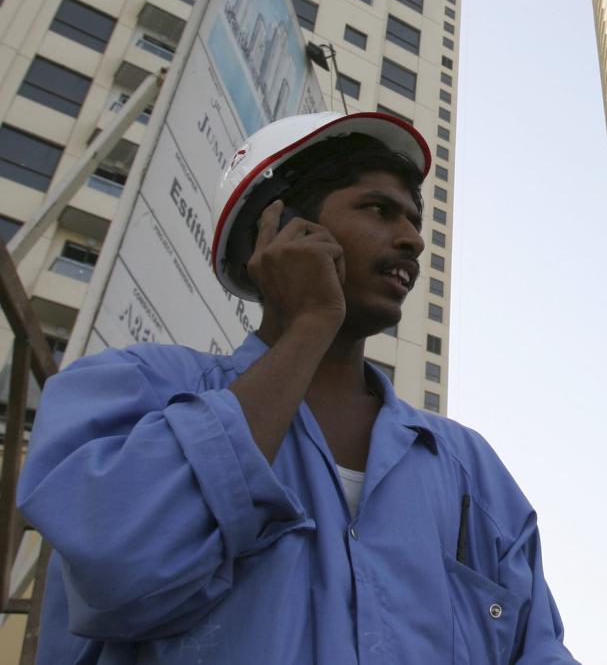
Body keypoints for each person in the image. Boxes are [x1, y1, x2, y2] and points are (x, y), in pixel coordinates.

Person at [19, 112, 578, 664]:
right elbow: (122, 566)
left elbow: (540, 651)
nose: (412, 240)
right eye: (379, 209)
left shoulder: (471, 471)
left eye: (414, 220)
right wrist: (310, 325)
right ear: (281, 228)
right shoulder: (131, 390)